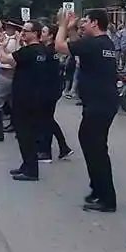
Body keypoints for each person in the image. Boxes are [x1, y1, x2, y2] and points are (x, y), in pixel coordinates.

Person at [56, 9, 119, 212]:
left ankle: (107, 198)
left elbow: (60, 46)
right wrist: (74, 30)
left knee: (97, 149)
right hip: (101, 103)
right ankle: (98, 189)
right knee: (90, 143)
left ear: (95, 23)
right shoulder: (104, 43)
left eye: (85, 22)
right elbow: (78, 49)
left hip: (99, 105)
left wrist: (63, 25)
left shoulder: (93, 44)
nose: (82, 25)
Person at [0, 20, 48, 181]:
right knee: (27, 133)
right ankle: (27, 165)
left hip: (25, 97)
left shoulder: (29, 51)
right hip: (35, 95)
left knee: (25, 134)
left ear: (35, 33)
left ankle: (31, 169)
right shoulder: (42, 51)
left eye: (26, 31)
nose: (22, 33)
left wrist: (0, 45)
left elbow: (5, 59)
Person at [37, 24, 74, 162]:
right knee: (47, 119)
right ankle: (63, 147)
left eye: (44, 31)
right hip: (51, 88)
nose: (42, 33)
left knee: (46, 119)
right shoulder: (48, 49)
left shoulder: (50, 51)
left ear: (51, 35)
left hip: (49, 89)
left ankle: (46, 152)